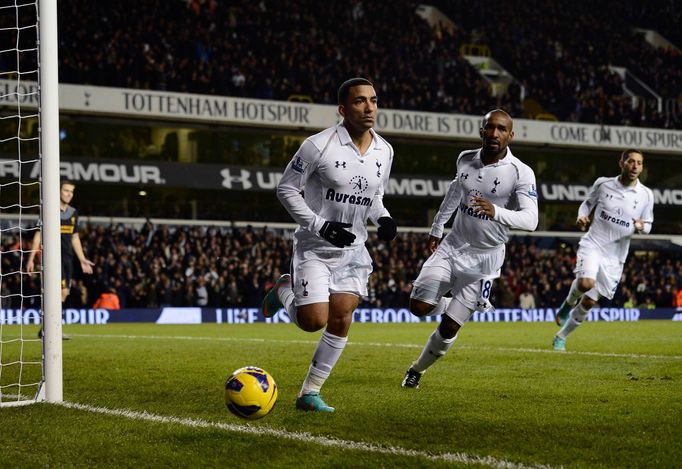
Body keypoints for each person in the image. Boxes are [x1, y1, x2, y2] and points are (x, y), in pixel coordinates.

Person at [261, 78, 397, 412]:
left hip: (353, 251)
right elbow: (286, 189)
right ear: (343, 109)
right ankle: (283, 289)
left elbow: (375, 196)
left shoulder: (385, 150)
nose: (369, 108)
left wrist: (384, 218)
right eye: (359, 101)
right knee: (313, 321)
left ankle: (309, 392)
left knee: (342, 316)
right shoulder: (317, 145)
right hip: (314, 248)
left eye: (373, 101)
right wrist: (320, 226)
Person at [401, 109, 538, 388]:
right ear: (481, 131)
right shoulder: (465, 158)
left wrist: (496, 212)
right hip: (453, 246)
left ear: (511, 135)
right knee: (418, 306)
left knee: (450, 327)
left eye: (501, 129)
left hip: (485, 261)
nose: (495, 134)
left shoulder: (520, 172)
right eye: (490, 128)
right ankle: (453, 303)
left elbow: (531, 220)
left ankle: (417, 370)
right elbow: (455, 192)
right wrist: (438, 227)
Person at [553, 149, 654, 351]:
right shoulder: (603, 183)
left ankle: (561, 336)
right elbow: (586, 204)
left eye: (639, 163)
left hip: (615, 257)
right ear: (622, 163)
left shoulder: (646, 195)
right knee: (585, 282)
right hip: (594, 244)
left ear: (642, 167)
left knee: (589, 302)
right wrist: (582, 216)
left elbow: (649, 224)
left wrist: (642, 227)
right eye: (631, 161)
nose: (635, 166)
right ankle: (567, 304)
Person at [26, 181, 95, 329]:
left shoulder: (73, 213)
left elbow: (74, 237)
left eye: (72, 191)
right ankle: (53, 328)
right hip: (52, 258)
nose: (69, 194)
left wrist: (82, 259)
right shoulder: (48, 210)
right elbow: (38, 235)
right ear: (58, 191)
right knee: (60, 291)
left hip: (67, 258)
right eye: (66, 191)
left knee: (65, 293)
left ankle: (49, 327)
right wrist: (31, 258)